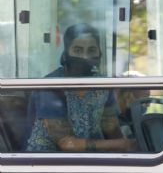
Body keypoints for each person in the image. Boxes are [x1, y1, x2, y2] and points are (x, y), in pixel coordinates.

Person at [26, 23, 136, 152]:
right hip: (45, 162)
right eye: (78, 50)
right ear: (66, 52)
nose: (85, 56)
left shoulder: (103, 85)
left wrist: (128, 147)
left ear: (99, 52)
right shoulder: (51, 86)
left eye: (91, 50)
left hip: (89, 159)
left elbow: (111, 128)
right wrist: (121, 144)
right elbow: (66, 144)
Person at [115, 71, 150, 138]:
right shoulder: (118, 123)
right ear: (127, 96)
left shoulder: (131, 122)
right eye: (145, 98)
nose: (148, 105)